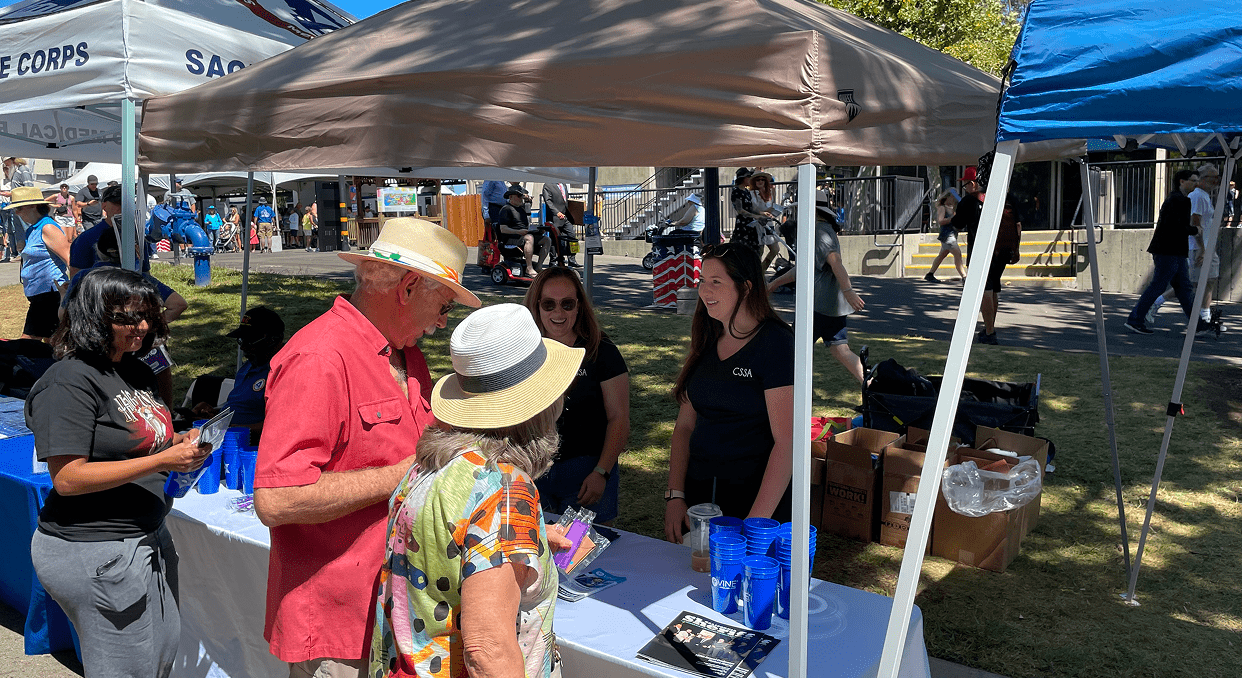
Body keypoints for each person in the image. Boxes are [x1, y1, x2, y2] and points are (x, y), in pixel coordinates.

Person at [253, 217, 480, 677]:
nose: (443, 321)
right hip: (342, 627)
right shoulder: (319, 357)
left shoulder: (405, 353)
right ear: (408, 287)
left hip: (397, 614)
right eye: (444, 305)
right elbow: (276, 499)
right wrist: (403, 474)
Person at [369, 303, 581, 678]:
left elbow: (448, 538)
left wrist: (524, 536)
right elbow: (487, 651)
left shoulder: (434, 461)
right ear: (541, 406)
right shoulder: (505, 490)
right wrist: (507, 527)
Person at [27, 267, 211, 678]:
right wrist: (162, 461)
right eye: (128, 317)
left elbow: (143, 440)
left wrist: (178, 441)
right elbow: (68, 478)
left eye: (147, 315)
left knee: (160, 657)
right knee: (128, 669)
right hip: (94, 549)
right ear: (94, 316)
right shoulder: (68, 382)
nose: (142, 326)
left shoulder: (135, 369)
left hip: (145, 537)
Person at [665, 243, 794, 539]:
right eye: (702, 281)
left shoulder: (776, 343)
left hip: (754, 503)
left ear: (745, 287)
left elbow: (786, 442)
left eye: (716, 282)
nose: (705, 290)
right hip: (699, 502)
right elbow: (684, 427)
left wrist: (754, 524)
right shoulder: (708, 335)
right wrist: (675, 495)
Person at [524, 268, 629, 525]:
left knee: (585, 548)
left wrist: (601, 472)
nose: (558, 313)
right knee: (535, 547)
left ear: (579, 306)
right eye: (549, 304)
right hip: (534, 471)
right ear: (536, 306)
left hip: (586, 474)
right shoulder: (524, 351)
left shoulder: (600, 350)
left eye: (567, 304)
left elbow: (619, 418)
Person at [767, 191, 866, 384]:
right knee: (840, 350)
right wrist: (773, 285)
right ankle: (871, 385)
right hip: (831, 305)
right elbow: (803, 269)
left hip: (816, 305)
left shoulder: (819, 232)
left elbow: (835, 262)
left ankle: (789, 390)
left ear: (811, 209)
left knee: (793, 348)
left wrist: (849, 291)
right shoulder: (821, 229)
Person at [1125, 169, 1203, 335]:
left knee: (1183, 287)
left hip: (1171, 250)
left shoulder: (1175, 198)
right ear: (1182, 181)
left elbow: (1173, 225)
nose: (1196, 184)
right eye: (1193, 180)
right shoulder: (1180, 200)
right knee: (1161, 285)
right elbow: (1177, 226)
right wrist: (1195, 230)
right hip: (1169, 250)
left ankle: (1198, 324)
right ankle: (1135, 320)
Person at [192, 306, 285, 436]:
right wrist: (215, 414)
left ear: (272, 340)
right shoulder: (249, 365)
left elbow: (281, 425)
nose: (243, 347)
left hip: (247, 444)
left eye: (249, 341)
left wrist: (230, 429)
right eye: (241, 340)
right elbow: (243, 407)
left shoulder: (283, 371)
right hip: (225, 436)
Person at [1148, 164, 1222, 327]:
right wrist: (1202, 249)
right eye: (1213, 178)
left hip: (1205, 247)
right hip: (1198, 248)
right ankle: (1158, 303)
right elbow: (1195, 223)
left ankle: (1205, 317)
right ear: (1203, 179)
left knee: (1207, 280)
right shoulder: (1198, 196)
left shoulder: (1203, 196)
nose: (1216, 181)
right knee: (1192, 283)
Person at [5, 187, 70, 341]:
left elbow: (69, 258)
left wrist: (73, 287)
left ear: (33, 206)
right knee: (51, 341)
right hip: (40, 294)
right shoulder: (33, 229)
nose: (17, 213)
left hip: (50, 294)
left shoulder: (47, 227)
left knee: (28, 341)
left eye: (19, 208)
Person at [496, 187, 550, 276]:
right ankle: (529, 268)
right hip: (511, 238)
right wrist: (518, 232)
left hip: (523, 235)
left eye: (521, 196)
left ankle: (539, 266)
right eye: (518, 196)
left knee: (546, 240)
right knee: (529, 238)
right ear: (511, 197)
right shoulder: (506, 209)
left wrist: (537, 231)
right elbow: (503, 229)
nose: (521, 198)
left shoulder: (521, 209)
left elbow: (528, 206)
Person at [924, 190, 967, 283]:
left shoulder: (953, 208)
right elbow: (940, 221)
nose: (954, 199)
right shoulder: (942, 207)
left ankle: (930, 274)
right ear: (947, 197)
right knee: (957, 254)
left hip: (952, 234)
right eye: (953, 197)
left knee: (942, 254)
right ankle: (964, 276)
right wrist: (952, 219)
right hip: (947, 236)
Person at [542, 181, 581, 267]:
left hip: (566, 217)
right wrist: (557, 212)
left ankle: (572, 259)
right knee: (554, 239)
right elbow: (548, 201)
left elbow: (565, 200)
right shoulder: (548, 185)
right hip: (555, 217)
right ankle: (554, 260)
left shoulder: (563, 184)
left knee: (572, 236)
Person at [749, 171, 783, 270]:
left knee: (775, 249)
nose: (760, 182)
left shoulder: (770, 192)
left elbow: (771, 206)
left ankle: (762, 270)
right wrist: (762, 213)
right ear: (754, 182)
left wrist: (773, 212)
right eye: (758, 180)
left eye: (762, 180)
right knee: (759, 251)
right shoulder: (751, 194)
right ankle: (758, 273)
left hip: (768, 223)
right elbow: (751, 209)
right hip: (757, 224)